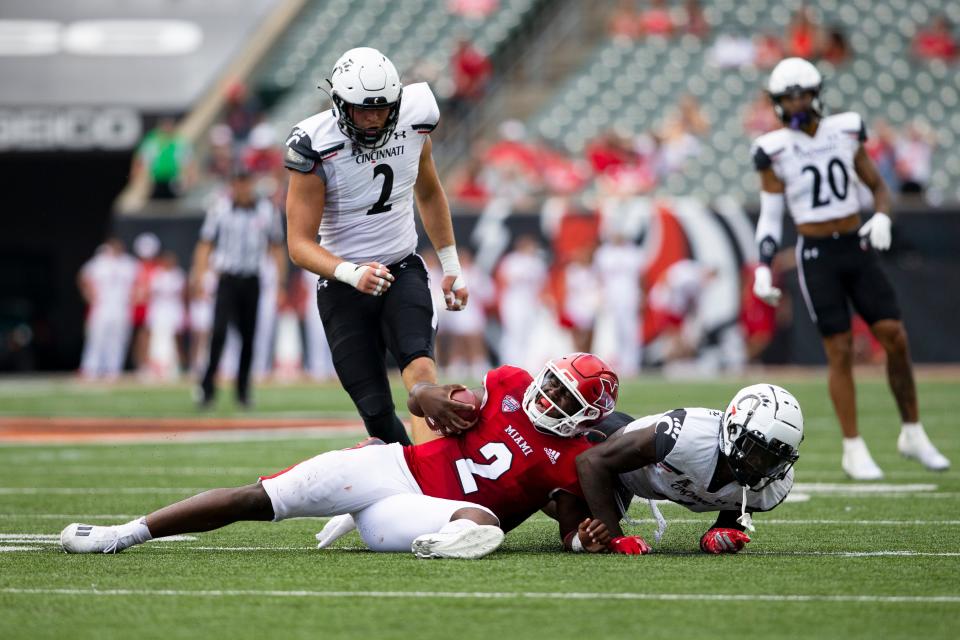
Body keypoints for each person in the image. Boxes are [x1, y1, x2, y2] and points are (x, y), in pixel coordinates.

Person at [60, 353, 620, 559]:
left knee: (483, 523)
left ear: (584, 417)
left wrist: (584, 538)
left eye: (565, 399)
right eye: (553, 384)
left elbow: (572, 530)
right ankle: (124, 533)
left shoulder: (570, 460)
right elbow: (426, 400)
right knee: (256, 497)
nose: (547, 398)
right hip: (391, 466)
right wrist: (434, 397)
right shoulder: (505, 382)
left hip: (421, 511)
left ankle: (378, 525)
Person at [749, 58, 949, 479]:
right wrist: (764, 266)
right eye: (789, 96)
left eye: (802, 93)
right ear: (778, 101)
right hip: (816, 253)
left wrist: (880, 216)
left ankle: (912, 431)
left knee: (894, 335)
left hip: (855, 246)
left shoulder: (845, 129)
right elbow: (769, 216)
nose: (798, 102)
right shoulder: (773, 148)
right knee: (839, 351)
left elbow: (878, 186)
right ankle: (853, 447)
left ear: (817, 91)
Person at [283, 47, 469, 445]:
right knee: (375, 412)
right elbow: (298, 244)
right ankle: (409, 479)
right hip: (343, 284)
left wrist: (450, 263)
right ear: (338, 104)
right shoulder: (314, 143)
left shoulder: (416, 120)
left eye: (382, 109)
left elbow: (431, 193)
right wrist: (352, 272)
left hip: (402, 268)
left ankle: (437, 483)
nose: (372, 119)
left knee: (421, 378)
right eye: (362, 110)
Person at [576, 384, 804, 555]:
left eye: (773, 460)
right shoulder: (685, 435)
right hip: (603, 441)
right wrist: (615, 539)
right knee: (574, 518)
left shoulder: (772, 485)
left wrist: (720, 534)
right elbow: (591, 462)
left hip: (631, 481)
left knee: (592, 529)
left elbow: (737, 503)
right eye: (756, 452)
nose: (761, 467)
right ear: (733, 431)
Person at [192, 167, 286, 408]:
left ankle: (243, 391)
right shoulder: (220, 209)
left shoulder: (266, 210)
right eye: (238, 183)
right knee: (219, 334)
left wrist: (281, 284)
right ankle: (207, 389)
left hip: (252, 280)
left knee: (249, 337)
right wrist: (200, 277)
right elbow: (205, 244)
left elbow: (276, 247)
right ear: (232, 185)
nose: (242, 188)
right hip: (227, 279)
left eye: (246, 183)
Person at [77, 238, 138, 380]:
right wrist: (88, 295)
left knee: (118, 339)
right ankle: (90, 368)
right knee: (96, 338)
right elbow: (83, 277)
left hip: (122, 308)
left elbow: (140, 282)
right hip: (102, 307)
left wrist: (135, 297)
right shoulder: (99, 262)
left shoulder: (128, 263)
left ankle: (113, 369)